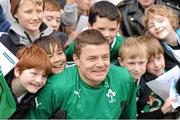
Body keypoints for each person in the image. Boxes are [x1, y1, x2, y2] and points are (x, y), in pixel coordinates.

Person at [24, 29, 136, 119]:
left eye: (105, 57)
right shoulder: (55, 87)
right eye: (92, 58)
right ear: (76, 59)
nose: (101, 64)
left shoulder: (124, 78)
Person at [1, 45, 52, 118]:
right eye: (34, 73)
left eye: (44, 76)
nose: (39, 80)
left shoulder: (38, 96)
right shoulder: (1, 87)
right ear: (17, 71)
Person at [136, 36, 175, 119]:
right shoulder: (140, 85)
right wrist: (163, 110)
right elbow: (137, 116)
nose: (157, 65)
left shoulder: (174, 71)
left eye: (159, 58)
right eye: (150, 61)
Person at [144, 4, 180, 70]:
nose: (157, 27)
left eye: (160, 21)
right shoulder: (159, 52)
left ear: (171, 20)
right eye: (151, 26)